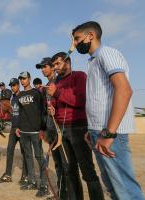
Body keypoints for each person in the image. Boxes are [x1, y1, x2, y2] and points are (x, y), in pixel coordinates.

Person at [72, 21, 144, 200]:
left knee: (125, 190)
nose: (74, 44)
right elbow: (99, 98)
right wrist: (92, 129)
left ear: (91, 35)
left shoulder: (107, 53)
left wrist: (110, 133)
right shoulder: (93, 61)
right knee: (112, 187)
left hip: (111, 134)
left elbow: (124, 90)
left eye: (77, 39)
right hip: (99, 131)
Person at [47, 52, 104, 200]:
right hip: (61, 130)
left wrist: (57, 93)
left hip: (78, 128)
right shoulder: (56, 82)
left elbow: (81, 100)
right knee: (69, 170)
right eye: (53, 66)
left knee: (87, 171)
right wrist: (52, 108)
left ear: (67, 62)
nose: (55, 68)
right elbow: (56, 103)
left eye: (58, 64)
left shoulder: (80, 76)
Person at [36, 57, 73, 200]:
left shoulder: (60, 82)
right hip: (51, 131)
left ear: (53, 67)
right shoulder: (47, 85)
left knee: (66, 165)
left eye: (45, 66)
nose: (43, 69)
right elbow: (45, 110)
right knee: (58, 164)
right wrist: (43, 129)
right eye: (41, 67)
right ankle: (61, 195)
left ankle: (69, 195)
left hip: (62, 130)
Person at [13, 71, 49, 197]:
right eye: (21, 79)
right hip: (23, 131)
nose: (22, 81)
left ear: (29, 78)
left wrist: (43, 128)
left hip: (35, 131)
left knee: (39, 157)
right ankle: (32, 181)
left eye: (24, 78)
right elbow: (18, 113)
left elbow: (43, 111)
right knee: (28, 156)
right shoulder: (19, 95)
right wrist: (17, 126)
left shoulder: (36, 93)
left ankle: (44, 185)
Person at [0, 78, 28, 185]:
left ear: (18, 85)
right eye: (11, 85)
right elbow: (13, 113)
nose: (13, 87)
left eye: (14, 85)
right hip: (13, 129)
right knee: (9, 150)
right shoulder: (12, 98)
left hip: (23, 129)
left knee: (24, 152)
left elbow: (26, 112)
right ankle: (8, 174)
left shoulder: (23, 96)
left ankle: (25, 176)